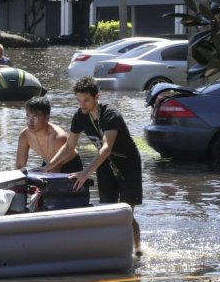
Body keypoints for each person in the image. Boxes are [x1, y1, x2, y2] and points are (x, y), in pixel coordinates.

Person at [37, 76, 142, 255]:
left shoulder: (111, 114)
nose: (82, 105)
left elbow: (107, 148)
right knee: (108, 211)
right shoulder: (79, 116)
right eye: (78, 100)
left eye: (86, 100)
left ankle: (137, 249)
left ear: (97, 97)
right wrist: (48, 166)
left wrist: (85, 173)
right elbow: (69, 146)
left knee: (125, 213)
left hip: (127, 164)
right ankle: (112, 249)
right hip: (105, 166)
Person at [16, 96, 82, 173]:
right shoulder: (25, 135)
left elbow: (53, 172)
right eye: (27, 117)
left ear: (47, 118)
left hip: (70, 166)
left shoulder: (58, 137)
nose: (30, 122)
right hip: (48, 162)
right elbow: (20, 166)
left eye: (35, 118)